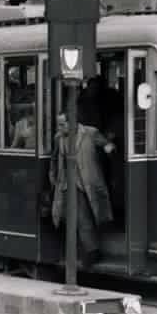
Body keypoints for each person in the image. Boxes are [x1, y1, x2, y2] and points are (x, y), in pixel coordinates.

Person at [49, 113, 114, 267]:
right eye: (58, 125)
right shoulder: (59, 138)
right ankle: (81, 250)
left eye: (62, 125)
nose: (59, 128)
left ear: (72, 123)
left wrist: (108, 147)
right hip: (65, 185)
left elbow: (106, 144)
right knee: (63, 217)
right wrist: (53, 177)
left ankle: (92, 251)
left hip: (84, 184)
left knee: (82, 218)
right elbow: (55, 158)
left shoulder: (90, 133)